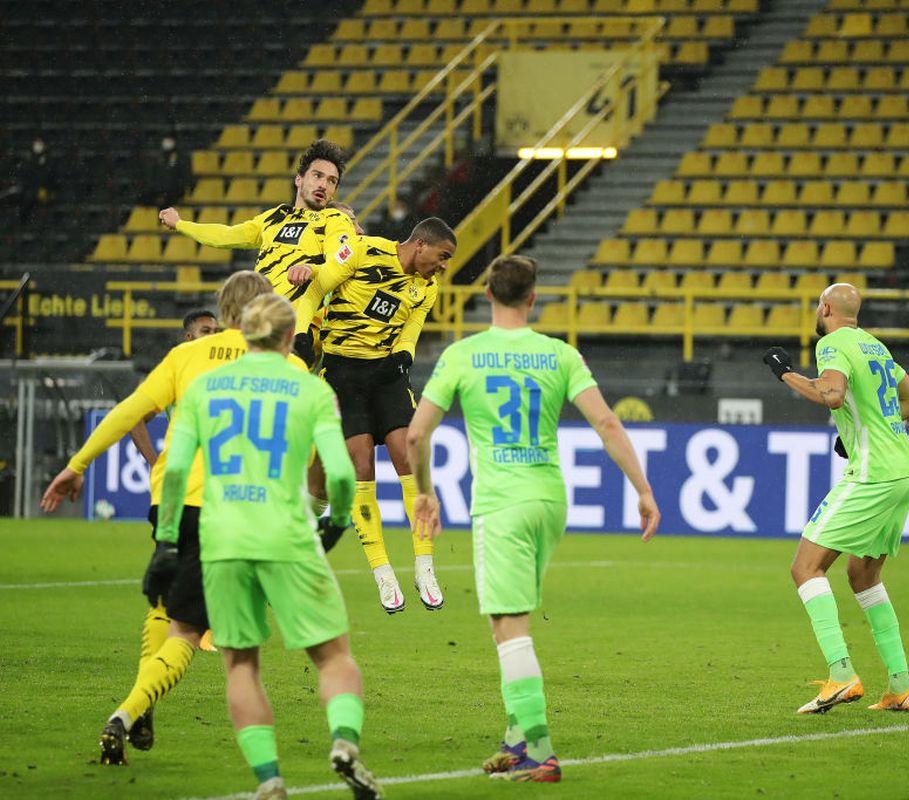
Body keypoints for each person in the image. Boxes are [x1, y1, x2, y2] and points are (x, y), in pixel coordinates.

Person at [406, 255, 661, 783]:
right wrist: (643, 489)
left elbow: (414, 435)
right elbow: (607, 423)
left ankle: (540, 751)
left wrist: (425, 493)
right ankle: (517, 738)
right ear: (533, 298)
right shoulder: (559, 354)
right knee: (514, 618)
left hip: (501, 504)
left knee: (509, 625)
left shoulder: (463, 355)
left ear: (487, 295)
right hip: (549, 500)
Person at [40, 272, 309, 767]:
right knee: (188, 629)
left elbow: (128, 412)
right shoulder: (288, 364)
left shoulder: (186, 356)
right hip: (233, 508)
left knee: (163, 611)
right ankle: (128, 711)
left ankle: (142, 709)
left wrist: (77, 465)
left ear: (224, 312)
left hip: (172, 502)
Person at [157, 292, 379, 800]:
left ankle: (269, 780)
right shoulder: (310, 389)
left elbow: (173, 471)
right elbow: (341, 472)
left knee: (240, 664)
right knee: (333, 658)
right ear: (287, 337)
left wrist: (168, 543)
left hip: (222, 537)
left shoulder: (205, 388)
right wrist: (337, 522)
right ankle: (344, 743)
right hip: (287, 533)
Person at [762, 283, 909, 715]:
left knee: (805, 567)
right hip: (904, 470)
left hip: (873, 474)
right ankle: (901, 686)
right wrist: (860, 431)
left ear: (827, 308)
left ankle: (841, 675)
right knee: (863, 577)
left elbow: (831, 394)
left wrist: (786, 374)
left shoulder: (832, 344)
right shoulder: (875, 346)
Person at [299, 204, 456, 613]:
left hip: (386, 374)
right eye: (441, 257)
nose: (442, 268)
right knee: (360, 465)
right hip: (342, 371)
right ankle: (383, 573)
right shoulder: (365, 251)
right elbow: (318, 285)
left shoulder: (426, 288)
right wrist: (303, 328)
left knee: (411, 456)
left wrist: (403, 356)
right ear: (420, 244)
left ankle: (424, 567)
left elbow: (411, 331)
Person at [157, 139, 355, 335]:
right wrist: (181, 224)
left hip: (297, 329)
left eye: (331, 181)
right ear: (299, 179)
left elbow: (340, 263)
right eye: (317, 176)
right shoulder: (274, 217)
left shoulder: (335, 219)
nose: (323, 185)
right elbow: (227, 235)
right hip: (259, 324)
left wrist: (310, 269)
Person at [129, 309, 220, 467]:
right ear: (189, 338)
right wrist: (154, 464)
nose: (213, 336)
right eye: (205, 331)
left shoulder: (230, 372)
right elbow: (135, 418)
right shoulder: (174, 375)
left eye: (216, 332)